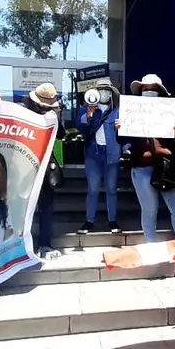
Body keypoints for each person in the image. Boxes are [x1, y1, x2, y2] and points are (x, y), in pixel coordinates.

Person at [116, 74, 175, 242]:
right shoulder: (132, 112)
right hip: (141, 167)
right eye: (145, 89)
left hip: (168, 166)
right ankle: (151, 246)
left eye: (153, 89)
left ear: (160, 91)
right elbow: (121, 140)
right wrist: (119, 128)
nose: (149, 91)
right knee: (149, 210)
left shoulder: (170, 112)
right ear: (140, 91)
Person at [77, 79, 126, 234]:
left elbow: (128, 135)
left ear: (111, 93)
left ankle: (112, 220)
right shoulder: (87, 108)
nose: (104, 92)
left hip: (112, 154)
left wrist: (122, 130)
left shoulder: (119, 111)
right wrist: (89, 115)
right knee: (93, 188)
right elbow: (80, 127)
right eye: (101, 90)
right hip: (93, 154)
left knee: (111, 189)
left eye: (107, 90)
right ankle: (89, 221)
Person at [23, 82, 64, 258]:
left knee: (46, 208)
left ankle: (45, 244)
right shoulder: (23, 113)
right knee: (25, 211)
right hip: (25, 168)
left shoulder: (52, 116)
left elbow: (61, 135)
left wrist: (57, 116)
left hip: (45, 169)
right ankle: (26, 245)